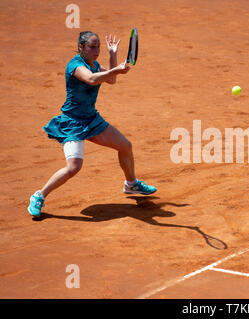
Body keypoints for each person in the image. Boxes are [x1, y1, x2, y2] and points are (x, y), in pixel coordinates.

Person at [28, 31, 156, 218]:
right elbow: (91, 79)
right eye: (92, 47)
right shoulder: (75, 66)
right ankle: (39, 195)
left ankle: (131, 184)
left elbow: (110, 79)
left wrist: (113, 56)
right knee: (73, 167)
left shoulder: (94, 64)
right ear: (81, 47)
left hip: (91, 120)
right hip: (73, 122)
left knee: (125, 146)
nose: (96, 51)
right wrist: (116, 69)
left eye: (98, 47)